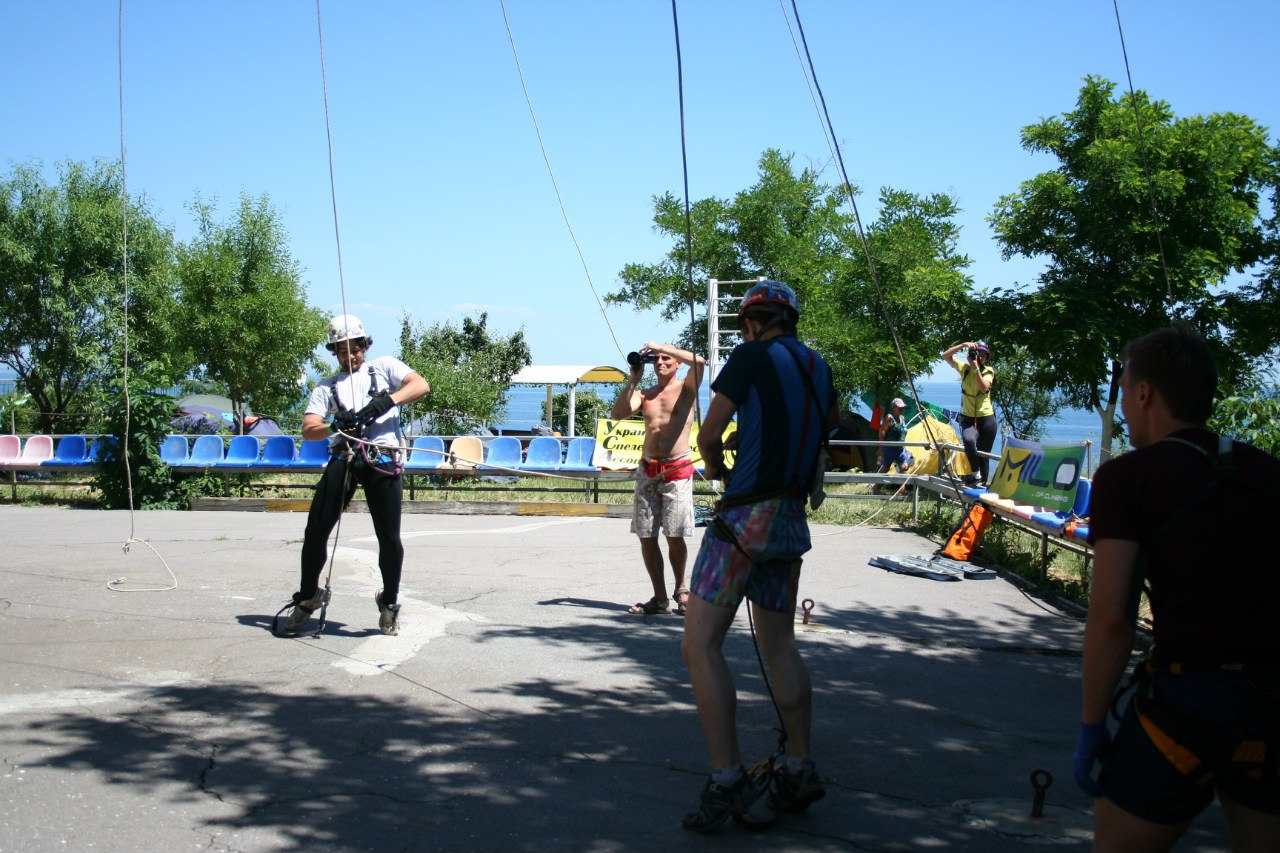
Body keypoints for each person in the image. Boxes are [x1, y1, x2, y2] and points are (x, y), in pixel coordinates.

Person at [1074, 326, 1280, 852]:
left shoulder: (1127, 477)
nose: (1121, 404)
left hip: (1185, 704)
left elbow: (1112, 618)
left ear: (1144, 393)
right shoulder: (1266, 471)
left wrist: (1092, 724)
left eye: (1123, 390)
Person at [680, 280, 837, 832]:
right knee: (780, 647)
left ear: (751, 321)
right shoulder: (819, 367)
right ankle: (798, 767)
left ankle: (727, 779)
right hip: (792, 521)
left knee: (699, 644)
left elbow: (709, 434)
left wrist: (719, 468)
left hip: (744, 518)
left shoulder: (749, 355)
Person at [283, 314, 430, 636]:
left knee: (388, 537)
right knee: (316, 530)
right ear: (334, 351)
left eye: (355, 349)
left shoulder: (385, 367)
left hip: (382, 457)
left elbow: (420, 386)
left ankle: (389, 602)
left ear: (365, 345)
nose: (350, 356)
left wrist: (383, 404)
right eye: (342, 350)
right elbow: (309, 429)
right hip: (346, 455)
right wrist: (332, 425)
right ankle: (308, 596)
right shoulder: (327, 387)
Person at [610, 341, 705, 616]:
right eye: (656, 360)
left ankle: (682, 590)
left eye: (666, 359)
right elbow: (617, 414)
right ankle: (659, 597)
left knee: (675, 534)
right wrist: (632, 380)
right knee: (646, 535)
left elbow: (699, 363)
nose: (660, 363)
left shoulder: (686, 390)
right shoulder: (646, 394)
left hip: (677, 470)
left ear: (678, 363)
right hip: (648, 469)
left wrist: (657, 346)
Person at [942, 340, 996, 485]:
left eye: (983, 355)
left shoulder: (988, 370)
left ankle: (982, 484)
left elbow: (984, 388)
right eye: (978, 353)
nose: (980, 356)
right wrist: (963, 345)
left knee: (983, 455)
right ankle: (975, 472)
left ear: (986, 357)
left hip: (986, 418)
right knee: (969, 441)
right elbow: (946, 356)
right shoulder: (965, 369)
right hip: (968, 417)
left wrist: (976, 367)